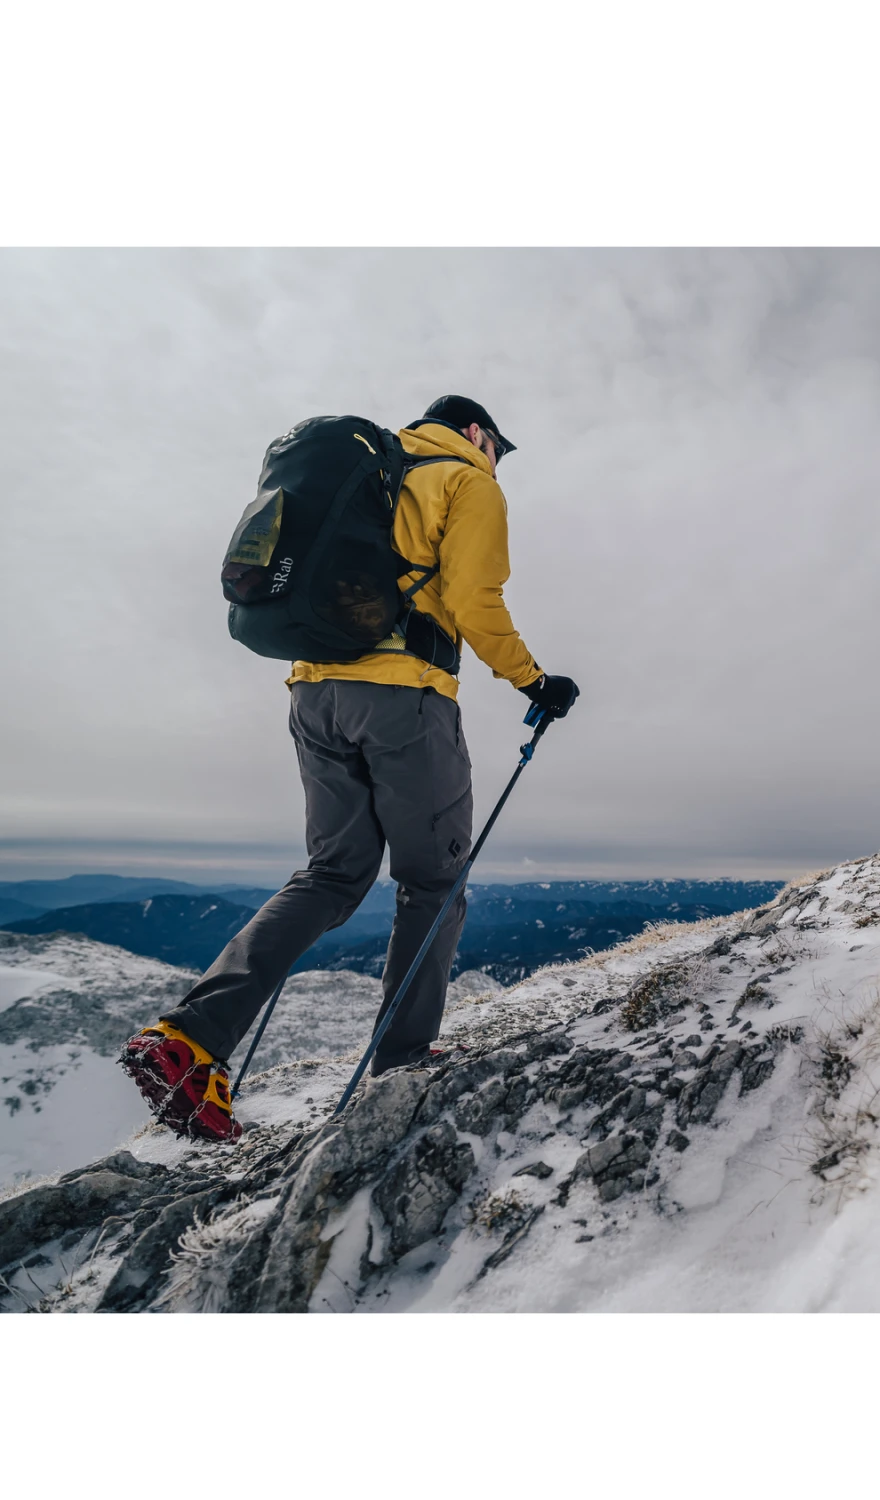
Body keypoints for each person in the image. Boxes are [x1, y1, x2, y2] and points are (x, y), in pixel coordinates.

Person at [119, 395, 579, 1142]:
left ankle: (188, 1038)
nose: (499, 461)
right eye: (499, 447)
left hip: (313, 694)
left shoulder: (362, 474)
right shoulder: (465, 480)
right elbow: (473, 598)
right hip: (403, 698)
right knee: (433, 879)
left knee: (331, 874)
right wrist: (534, 681)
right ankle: (402, 1058)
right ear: (475, 433)